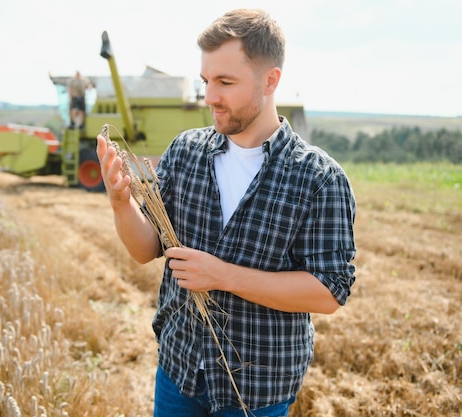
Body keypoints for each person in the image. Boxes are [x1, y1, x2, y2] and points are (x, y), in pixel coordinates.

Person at [96, 8, 356, 417]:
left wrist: (223, 276)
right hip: (179, 372)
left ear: (270, 81)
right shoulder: (185, 152)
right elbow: (147, 249)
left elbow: (328, 293)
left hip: (256, 391)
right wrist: (120, 202)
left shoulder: (319, 178)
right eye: (205, 81)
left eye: (225, 82)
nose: (210, 97)